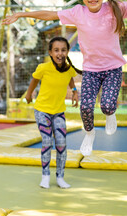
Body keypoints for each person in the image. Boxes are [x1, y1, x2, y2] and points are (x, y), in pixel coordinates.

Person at [3, 0, 127, 156]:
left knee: (107, 106)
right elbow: (49, 14)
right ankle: (89, 134)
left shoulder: (115, 8)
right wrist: (21, 14)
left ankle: (110, 115)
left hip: (112, 69)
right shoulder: (77, 12)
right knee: (86, 107)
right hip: (91, 71)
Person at [25, 37, 81, 189]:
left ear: (67, 52)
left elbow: (70, 78)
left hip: (58, 112)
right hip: (42, 110)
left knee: (62, 143)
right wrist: (29, 94)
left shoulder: (69, 68)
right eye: (56, 50)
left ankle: (60, 177)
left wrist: (74, 91)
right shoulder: (43, 67)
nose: (60, 53)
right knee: (47, 141)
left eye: (63, 50)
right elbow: (34, 80)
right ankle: (45, 176)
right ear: (50, 52)